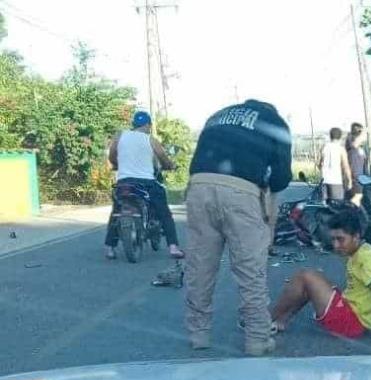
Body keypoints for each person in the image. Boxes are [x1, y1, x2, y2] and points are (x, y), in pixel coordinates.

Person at [184, 99, 292, 356]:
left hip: (198, 186)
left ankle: (199, 335)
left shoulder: (217, 114)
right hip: (241, 192)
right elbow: (281, 178)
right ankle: (257, 340)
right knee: (250, 270)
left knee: (200, 267)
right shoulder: (275, 123)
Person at [270, 209, 371, 353]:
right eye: (333, 239)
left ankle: (265, 320)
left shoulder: (365, 259)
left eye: (340, 239)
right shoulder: (361, 250)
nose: (336, 245)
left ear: (356, 236)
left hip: (353, 322)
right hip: (353, 312)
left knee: (305, 276)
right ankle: (282, 319)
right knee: (312, 280)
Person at [104, 111, 183, 260]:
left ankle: (109, 248)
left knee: (117, 210)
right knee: (164, 212)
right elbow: (164, 159)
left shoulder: (120, 136)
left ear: (134, 125)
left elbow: (112, 155)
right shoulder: (151, 140)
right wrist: (170, 166)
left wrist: (117, 164)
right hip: (147, 183)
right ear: (148, 125)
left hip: (124, 182)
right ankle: (173, 247)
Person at [318, 127, 352, 201]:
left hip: (325, 181)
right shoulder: (341, 149)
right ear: (340, 137)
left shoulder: (325, 147)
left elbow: (320, 164)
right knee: (337, 206)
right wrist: (349, 180)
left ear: (330, 136)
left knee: (325, 206)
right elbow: (345, 166)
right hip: (336, 181)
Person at [345, 123, 367, 207]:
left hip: (356, 183)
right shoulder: (355, 150)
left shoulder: (357, 150)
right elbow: (356, 173)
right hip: (354, 184)